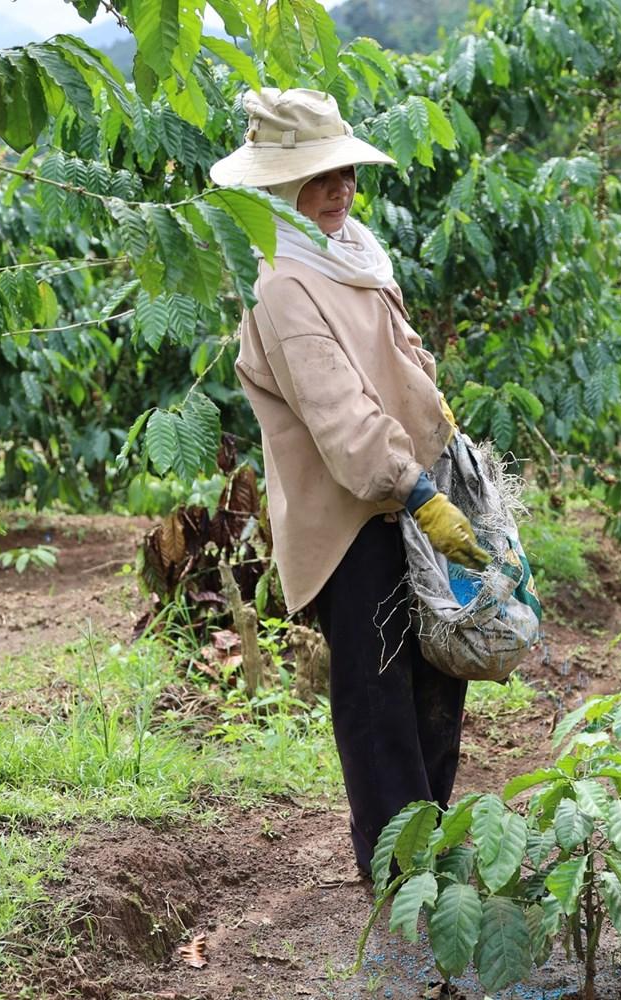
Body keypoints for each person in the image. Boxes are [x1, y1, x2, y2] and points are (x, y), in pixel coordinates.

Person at [211, 88, 491, 878]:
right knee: (377, 699)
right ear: (278, 187)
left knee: (438, 672)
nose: (340, 190)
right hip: (351, 519)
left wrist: (445, 456)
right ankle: (399, 869)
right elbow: (341, 417)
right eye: (320, 177)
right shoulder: (283, 285)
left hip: (412, 496)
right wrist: (415, 490)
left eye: (346, 173)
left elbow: (402, 363)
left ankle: (431, 845)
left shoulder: (352, 253)